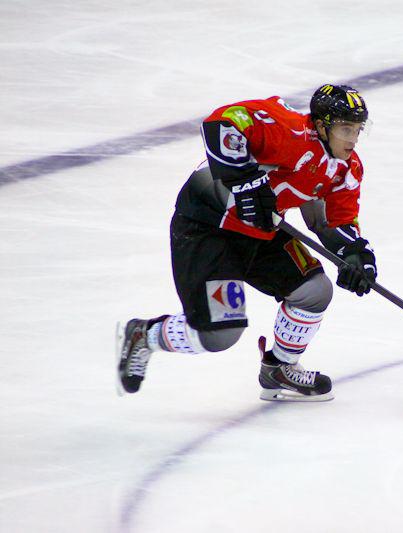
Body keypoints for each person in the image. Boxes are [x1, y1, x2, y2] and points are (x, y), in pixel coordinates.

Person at [116, 84, 377, 402]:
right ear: (322, 125)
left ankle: (279, 368)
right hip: (209, 227)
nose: (353, 138)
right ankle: (144, 335)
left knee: (314, 291)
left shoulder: (347, 168)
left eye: (358, 129)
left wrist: (355, 254)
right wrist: (244, 180)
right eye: (346, 129)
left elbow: (333, 222)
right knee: (219, 334)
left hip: (260, 232)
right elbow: (221, 122)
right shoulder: (289, 130)